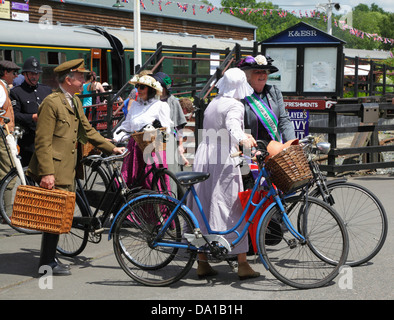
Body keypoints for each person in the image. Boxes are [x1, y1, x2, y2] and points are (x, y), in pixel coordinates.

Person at [27, 59, 125, 276]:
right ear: (68, 80)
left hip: (69, 168)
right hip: (55, 169)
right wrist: (47, 173)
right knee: (53, 216)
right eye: (80, 77)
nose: (84, 81)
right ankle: (47, 264)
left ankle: (49, 260)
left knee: (59, 215)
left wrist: (111, 148)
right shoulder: (51, 103)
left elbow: (88, 130)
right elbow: (42, 141)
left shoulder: (75, 102)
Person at [187, 68, 260, 280]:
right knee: (232, 206)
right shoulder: (235, 105)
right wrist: (244, 139)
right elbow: (232, 126)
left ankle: (202, 261)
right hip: (223, 159)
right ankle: (243, 263)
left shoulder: (214, 102)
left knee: (203, 204)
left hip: (204, 154)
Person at [112, 73, 172, 190]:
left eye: (142, 87)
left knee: (151, 183)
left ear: (151, 90)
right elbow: (127, 125)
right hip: (134, 149)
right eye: (138, 86)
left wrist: (155, 130)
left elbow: (167, 131)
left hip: (152, 149)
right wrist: (116, 137)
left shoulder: (161, 106)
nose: (138, 89)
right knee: (131, 182)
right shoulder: (134, 105)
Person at [10, 56, 52, 166]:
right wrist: (32, 117)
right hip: (29, 143)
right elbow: (15, 115)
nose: (35, 76)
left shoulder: (46, 90)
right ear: (24, 74)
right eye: (32, 74)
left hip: (48, 139)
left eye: (37, 74)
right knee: (29, 176)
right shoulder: (16, 92)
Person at [153, 71, 189, 168]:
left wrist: (180, 146)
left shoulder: (173, 101)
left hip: (168, 141)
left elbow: (179, 126)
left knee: (169, 171)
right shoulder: (151, 101)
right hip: (152, 142)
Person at [0, 60, 20, 224]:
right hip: (3, 135)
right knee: (9, 172)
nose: (16, 75)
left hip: (5, 133)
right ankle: (7, 212)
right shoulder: (0, 88)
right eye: (13, 72)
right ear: (5, 72)